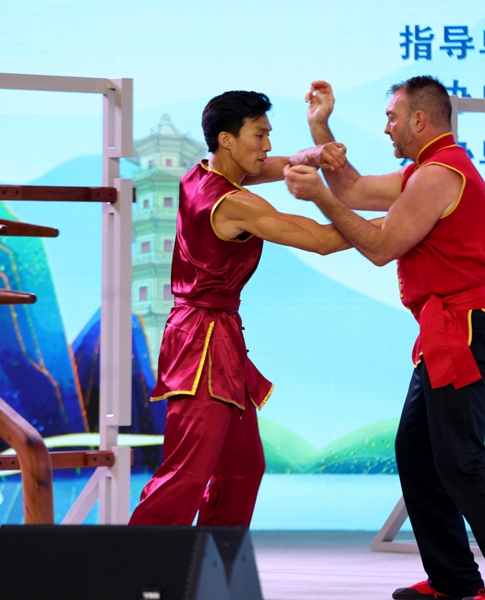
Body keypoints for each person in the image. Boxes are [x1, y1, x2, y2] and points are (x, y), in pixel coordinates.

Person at [283, 77, 485, 600]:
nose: (385, 126)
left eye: (391, 117)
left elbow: (382, 245)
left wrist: (319, 196)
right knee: (415, 451)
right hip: (446, 328)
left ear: (419, 120)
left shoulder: (438, 175)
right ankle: (453, 581)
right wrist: (320, 126)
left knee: (461, 460)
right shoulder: (425, 171)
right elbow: (358, 189)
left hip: (463, 328)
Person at [129, 90, 355, 527]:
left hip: (212, 335)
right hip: (203, 345)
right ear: (227, 139)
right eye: (260, 135)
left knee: (242, 469)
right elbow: (322, 240)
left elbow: (271, 165)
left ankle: (213, 573)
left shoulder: (200, 173)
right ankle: (128, 580)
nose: (268, 147)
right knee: (185, 475)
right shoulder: (235, 203)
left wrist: (312, 152)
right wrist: (403, 221)